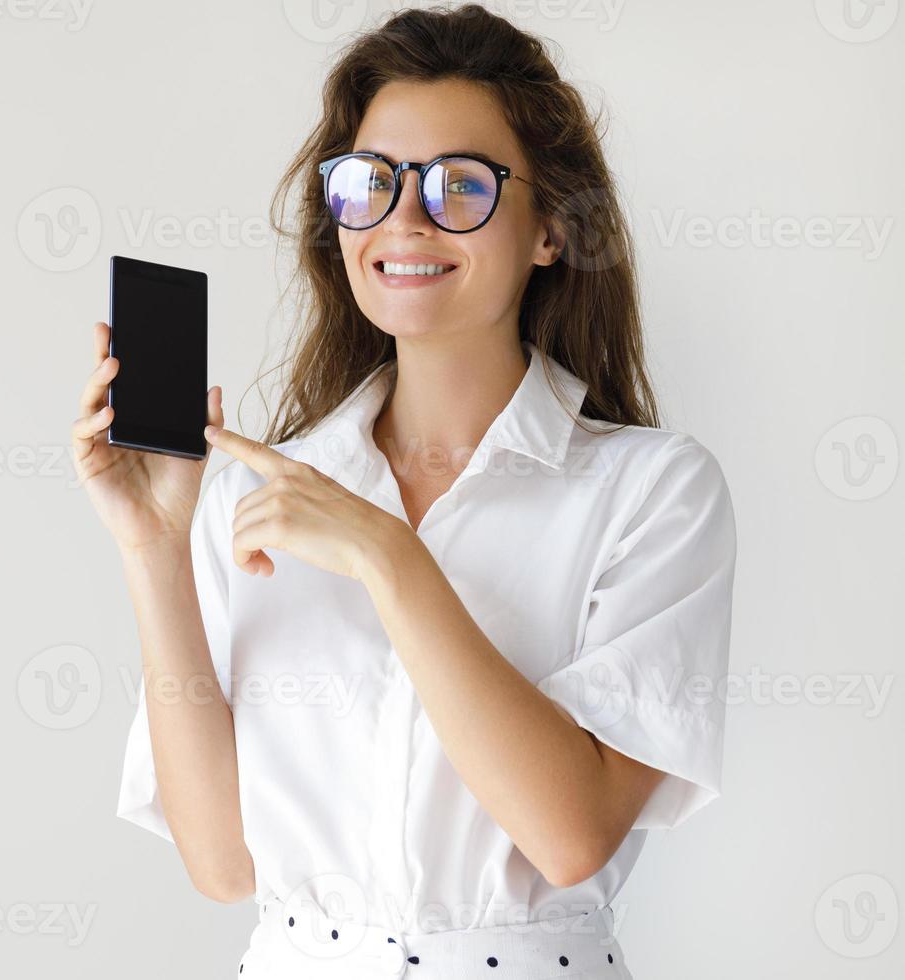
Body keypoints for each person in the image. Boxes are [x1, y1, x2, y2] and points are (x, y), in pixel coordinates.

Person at [72, 6, 737, 978]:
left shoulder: (651, 492)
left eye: (458, 183)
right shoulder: (256, 495)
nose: (404, 219)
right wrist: (154, 545)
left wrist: (386, 553)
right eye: (370, 182)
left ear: (550, 226)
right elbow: (222, 863)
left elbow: (569, 834)